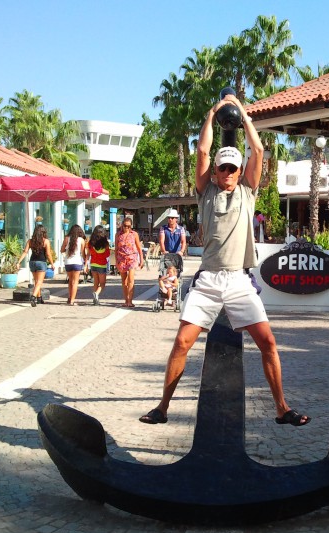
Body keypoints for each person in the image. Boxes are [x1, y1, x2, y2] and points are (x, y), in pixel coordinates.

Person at [139, 93, 310, 428]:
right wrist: (212, 111)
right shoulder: (206, 193)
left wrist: (242, 113)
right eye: (223, 168)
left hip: (238, 279)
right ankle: (162, 407)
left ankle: (281, 408)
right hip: (208, 279)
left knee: (268, 342)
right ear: (216, 172)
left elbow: (257, 150)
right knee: (181, 343)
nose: (228, 172)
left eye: (233, 168)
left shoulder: (247, 191)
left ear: (239, 171)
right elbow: (202, 151)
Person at [17, 224, 54, 307]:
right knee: (39, 282)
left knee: (36, 282)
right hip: (41, 262)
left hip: (32, 262)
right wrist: (52, 263)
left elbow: (25, 252)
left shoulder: (30, 241)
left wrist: (19, 262)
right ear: (43, 232)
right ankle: (33, 297)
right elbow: (48, 254)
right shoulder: (46, 241)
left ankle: (39, 298)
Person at [115, 214, 144, 307]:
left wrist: (141, 260)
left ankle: (130, 301)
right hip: (121, 258)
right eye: (125, 226)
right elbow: (116, 248)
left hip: (132, 258)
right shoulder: (118, 234)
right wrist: (116, 260)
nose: (126, 228)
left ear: (131, 226)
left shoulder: (134, 234)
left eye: (128, 226)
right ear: (122, 225)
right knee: (124, 281)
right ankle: (126, 300)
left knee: (131, 280)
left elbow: (139, 248)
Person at [61, 224, 86, 306]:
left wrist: (66, 253)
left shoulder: (66, 238)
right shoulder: (81, 240)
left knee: (70, 281)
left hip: (68, 262)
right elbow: (83, 253)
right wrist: (85, 262)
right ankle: (72, 300)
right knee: (75, 282)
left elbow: (62, 250)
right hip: (77, 262)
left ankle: (69, 297)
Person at [85, 225, 110, 306]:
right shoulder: (105, 243)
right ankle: (96, 293)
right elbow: (107, 254)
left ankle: (95, 300)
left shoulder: (91, 243)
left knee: (96, 282)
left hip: (93, 264)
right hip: (102, 265)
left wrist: (86, 265)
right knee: (102, 283)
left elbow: (88, 254)